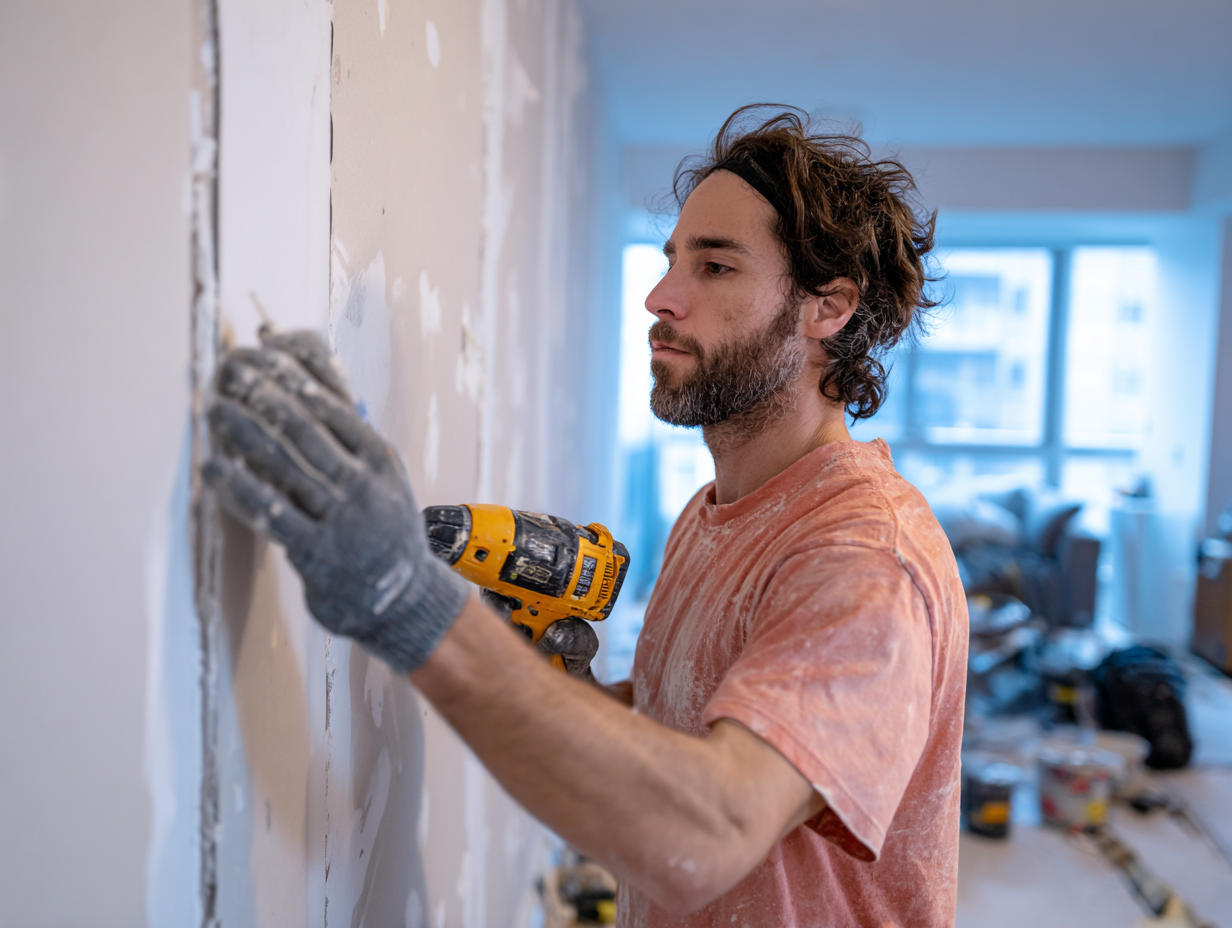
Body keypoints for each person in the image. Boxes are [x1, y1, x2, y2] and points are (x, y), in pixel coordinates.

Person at [205, 104, 968, 927]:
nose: (660, 296)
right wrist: (555, 680)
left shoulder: (864, 559)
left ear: (830, 309)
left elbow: (708, 829)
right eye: (671, 259)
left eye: (715, 268)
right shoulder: (717, 513)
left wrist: (412, 607)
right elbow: (673, 757)